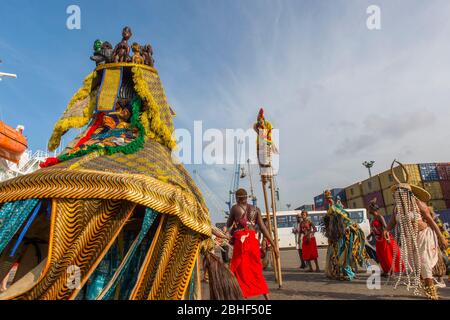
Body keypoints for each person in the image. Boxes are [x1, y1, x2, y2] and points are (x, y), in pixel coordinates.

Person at [385, 171, 449, 300]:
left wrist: (441, 237)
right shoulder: (397, 209)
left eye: (402, 193)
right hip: (409, 240)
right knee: (416, 265)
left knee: (424, 262)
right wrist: (386, 230)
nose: (399, 196)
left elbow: (430, 221)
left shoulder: (419, 204)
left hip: (423, 236)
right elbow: (392, 222)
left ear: (408, 194)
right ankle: (426, 289)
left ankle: (432, 293)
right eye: (397, 194)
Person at [227, 188, 279, 300]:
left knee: (240, 271)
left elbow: (228, 225)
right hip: (253, 241)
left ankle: (244, 296)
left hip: (241, 243)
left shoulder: (234, 208)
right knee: (256, 271)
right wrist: (274, 245)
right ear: (246, 197)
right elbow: (264, 228)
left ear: (237, 198)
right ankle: (266, 297)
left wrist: (226, 234)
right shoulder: (256, 209)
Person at [367, 199, 402, 276]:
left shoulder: (380, 217)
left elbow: (386, 227)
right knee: (381, 255)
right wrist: (369, 235)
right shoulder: (372, 219)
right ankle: (385, 270)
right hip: (378, 240)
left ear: (373, 209)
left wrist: (387, 238)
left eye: (369, 208)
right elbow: (374, 230)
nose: (368, 210)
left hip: (384, 238)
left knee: (387, 254)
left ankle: (391, 271)